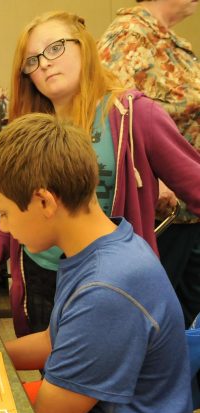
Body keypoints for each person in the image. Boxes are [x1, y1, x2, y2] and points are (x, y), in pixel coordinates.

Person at [0, 10, 200, 337]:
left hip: (110, 282)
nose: (44, 63)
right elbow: (15, 212)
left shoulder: (134, 115)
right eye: (32, 60)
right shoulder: (28, 130)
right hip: (41, 276)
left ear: (84, 46)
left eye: (54, 48)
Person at [0, 113, 192, 413]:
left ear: (45, 202)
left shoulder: (105, 289)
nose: (3, 227)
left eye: (4, 213)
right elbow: (55, 341)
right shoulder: (102, 244)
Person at [98, 0, 200, 327]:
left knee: (186, 321)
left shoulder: (163, 39)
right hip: (163, 216)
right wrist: (158, 178)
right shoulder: (129, 40)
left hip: (188, 211)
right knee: (157, 322)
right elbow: (113, 119)